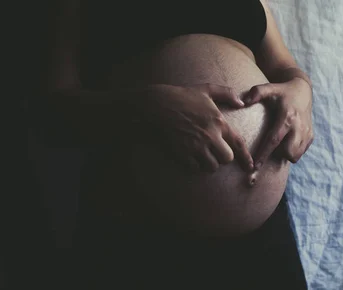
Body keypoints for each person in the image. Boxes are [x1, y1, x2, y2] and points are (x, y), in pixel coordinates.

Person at [42, 0, 314, 288]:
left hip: (263, 239)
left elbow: (285, 67)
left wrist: (301, 90)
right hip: (139, 223)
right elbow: (52, 113)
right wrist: (147, 105)